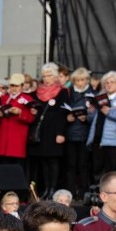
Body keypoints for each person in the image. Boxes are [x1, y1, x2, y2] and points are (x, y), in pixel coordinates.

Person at [27, 63, 69, 199]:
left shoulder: (62, 92)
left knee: (53, 161)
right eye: (44, 75)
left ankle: (53, 189)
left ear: (56, 76)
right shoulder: (36, 92)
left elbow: (63, 114)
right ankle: (45, 189)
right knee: (43, 161)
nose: (46, 78)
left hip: (54, 130)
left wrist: (61, 133)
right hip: (41, 131)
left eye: (49, 75)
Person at [0, 73, 35, 169]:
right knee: (3, 164)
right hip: (3, 136)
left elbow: (31, 118)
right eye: (12, 86)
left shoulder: (27, 99)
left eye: (16, 86)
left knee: (16, 165)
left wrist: (20, 113)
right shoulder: (3, 98)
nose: (14, 88)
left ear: (21, 86)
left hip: (17, 137)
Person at [63, 67, 93, 197]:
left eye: (83, 80)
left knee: (83, 165)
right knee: (70, 165)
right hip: (70, 134)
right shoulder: (68, 93)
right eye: (78, 80)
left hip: (85, 134)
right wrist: (67, 118)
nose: (81, 83)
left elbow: (95, 115)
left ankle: (82, 192)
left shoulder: (92, 94)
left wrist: (87, 118)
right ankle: (70, 192)